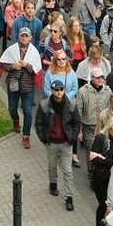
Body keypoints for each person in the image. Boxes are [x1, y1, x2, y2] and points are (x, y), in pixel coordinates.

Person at [34, 78, 76, 210]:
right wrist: (43, 139)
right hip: (51, 142)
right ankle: (53, 184)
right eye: (56, 90)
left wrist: (73, 137)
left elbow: (76, 122)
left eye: (61, 89)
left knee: (68, 171)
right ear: (52, 91)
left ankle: (69, 197)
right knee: (52, 166)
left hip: (66, 143)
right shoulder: (45, 105)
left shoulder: (71, 104)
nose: (59, 92)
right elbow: (38, 123)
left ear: (64, 90)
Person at [0, 28, 42, 146]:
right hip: (13, 84)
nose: (24, 38)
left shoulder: (34, 52)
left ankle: (26, 136)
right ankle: (16, 121)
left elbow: (36, 70)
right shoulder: (11, 50)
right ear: (18, 37)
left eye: (26, 36)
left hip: (28, 86)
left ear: (30, 38)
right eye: (22, 36)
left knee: (27, 111)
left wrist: (26, 65)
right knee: (12, 108)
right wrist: (13, 67)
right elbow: (3, 64)